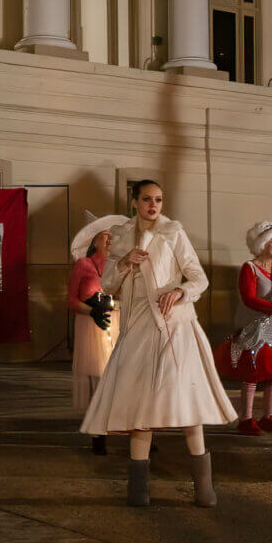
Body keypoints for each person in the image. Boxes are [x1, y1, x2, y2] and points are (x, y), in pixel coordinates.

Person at [81, 180, 238, 506]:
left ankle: (204, 488)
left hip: (176, 326)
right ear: (135, 201)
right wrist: (125, 263)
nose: (154, 205)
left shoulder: (173, 233)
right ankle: (138, 489)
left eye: (159, 200)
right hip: (138, 328)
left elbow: (199, 278)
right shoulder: (121, 236)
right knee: (141, 407)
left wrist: (180, 291)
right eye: (147, 199)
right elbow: (107, 285)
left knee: (187, 402)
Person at [213, 221, 272, 436]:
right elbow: (249, 298)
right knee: (253, 372)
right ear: (261, 243)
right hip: (254, 327)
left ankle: (268, 416)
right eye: (271, 241)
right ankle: (246, 419)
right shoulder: (249, 268)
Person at [68, 211, 128, 454]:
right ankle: (98, 434)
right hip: (92, 329)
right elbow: (71, 299)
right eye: (106, 236)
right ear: (95, 240)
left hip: (116, 325)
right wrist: (90, 309)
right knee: (98, 382)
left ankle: (135, 430)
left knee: (122, 380)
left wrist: (114, 304)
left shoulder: (119, 265)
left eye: (114, 236)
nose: (110, 240)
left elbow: (127, 296)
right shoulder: (84, 265)